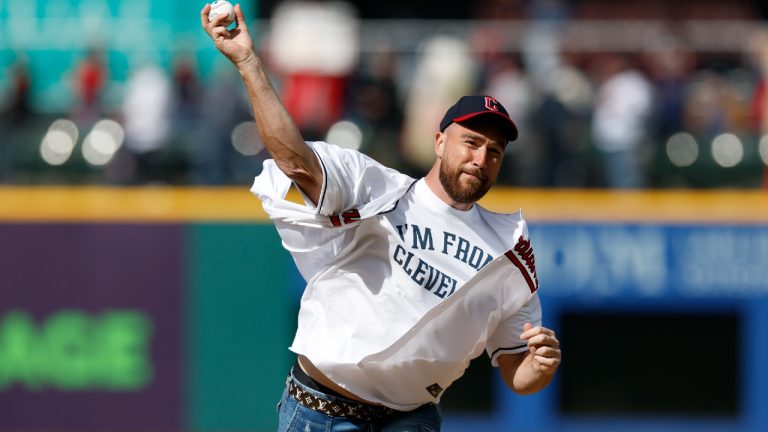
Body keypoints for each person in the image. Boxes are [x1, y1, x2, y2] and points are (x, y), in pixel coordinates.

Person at [201, 4, 561, 431]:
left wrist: (540, 368)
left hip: (411, 420)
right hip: (323, 410)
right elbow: (295, 162)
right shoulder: (378, 188)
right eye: (471, 141)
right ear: (440, 142)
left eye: (494, 151)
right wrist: (248, 62)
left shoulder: (509, 249)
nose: (481, 157)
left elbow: (517, 373)